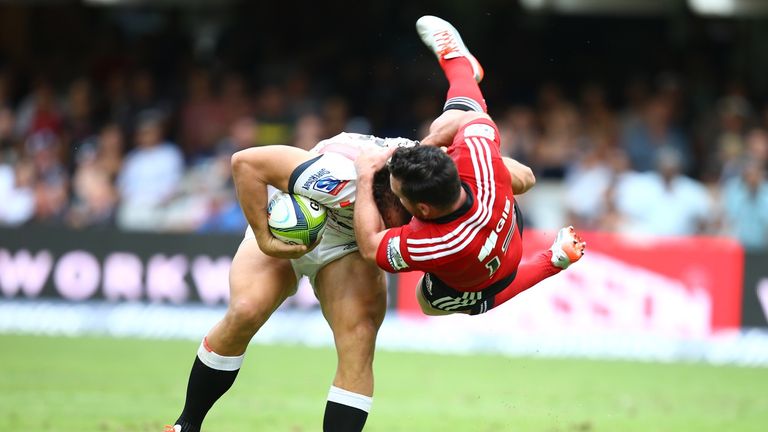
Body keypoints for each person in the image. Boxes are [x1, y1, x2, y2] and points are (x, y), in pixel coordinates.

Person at [166, 132, 414, 432]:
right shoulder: (334, 175)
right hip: (293, 224)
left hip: (349, 246)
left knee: (359, 340)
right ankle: (186, 425)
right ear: (386, 194)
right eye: (396, 221)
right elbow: (245, 163)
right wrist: (264, 238)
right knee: (245, 310)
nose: (404, 229)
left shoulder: (428, 191)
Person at [354, 16, 587, 316]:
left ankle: (555, 259)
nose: (397, 196)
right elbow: (475, 119)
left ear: (423, 210)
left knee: (428, 304)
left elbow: (371, 249)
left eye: (400, 195)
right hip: (506, 226)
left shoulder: (438, 244)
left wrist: (363, 178)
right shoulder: (475, 158)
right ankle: (459, 61)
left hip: (480, 280)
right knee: (524, 176)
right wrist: (430, 144)